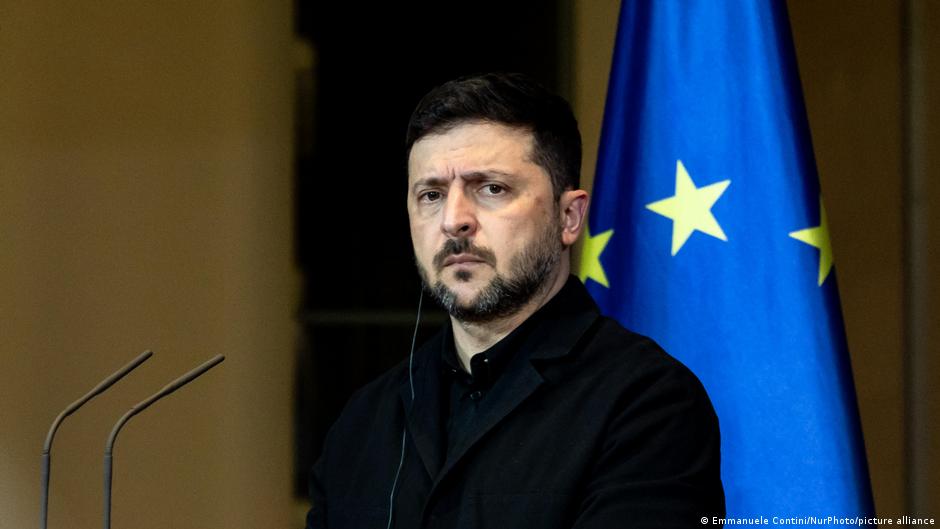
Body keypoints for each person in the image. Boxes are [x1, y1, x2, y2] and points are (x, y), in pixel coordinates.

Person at [306, 72, 725, 529]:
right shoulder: (363, 421)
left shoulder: (649, 404)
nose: (453, 220)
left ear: (569, 217)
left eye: (492, 188)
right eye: (431, 195)